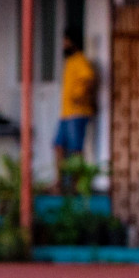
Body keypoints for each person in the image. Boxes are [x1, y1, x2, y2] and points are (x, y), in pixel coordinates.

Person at [54, 28, 97, 193]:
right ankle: (59, 182)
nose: (64, 45)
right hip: (66, 113)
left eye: (66, 41)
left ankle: (77, 185)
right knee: (58, 145)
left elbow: (89, 79)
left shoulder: (80, 60)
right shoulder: (70, 61)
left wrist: (81, 97)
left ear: (73, 42)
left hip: (77, 113)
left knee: (76, 149)